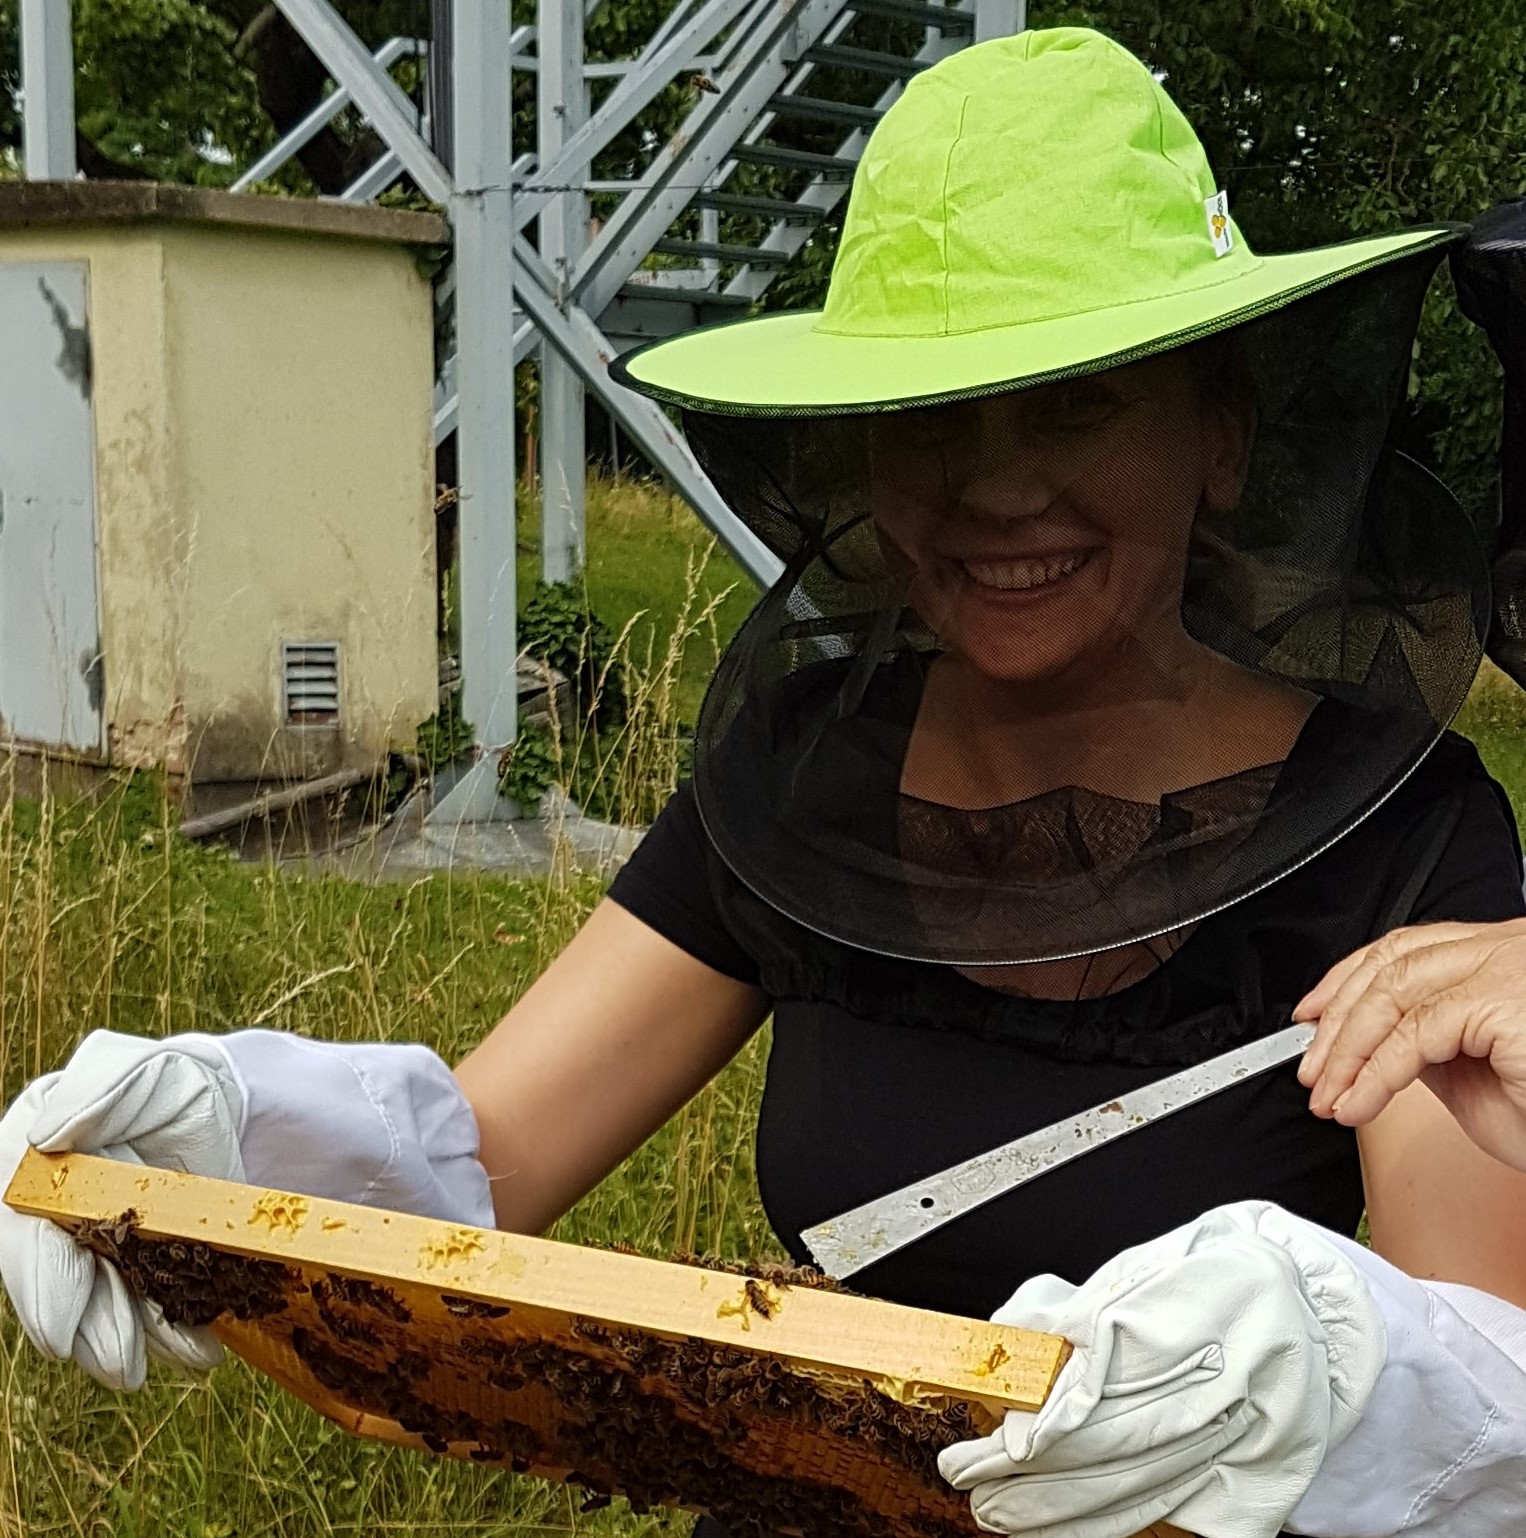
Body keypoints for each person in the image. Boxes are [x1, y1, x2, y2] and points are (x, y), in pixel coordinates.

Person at [7, 25, 1526, 1538]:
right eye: (933, 411)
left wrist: (1339, 1358)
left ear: (1220, 439)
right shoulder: (809, 772)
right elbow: (490, 1159)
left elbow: (1480, 1379)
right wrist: (234, 1158)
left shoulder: (1404, 839)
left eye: (1075, 402)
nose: (997, 486)